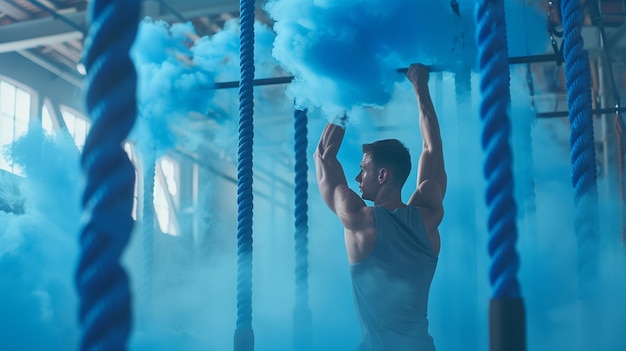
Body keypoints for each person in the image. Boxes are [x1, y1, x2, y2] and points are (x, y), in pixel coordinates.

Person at [313, 63, 446, 351]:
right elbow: (431, 150)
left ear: (382, 174)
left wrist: (350, 90)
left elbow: (324, 156)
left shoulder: (360, 220)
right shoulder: (428, 217)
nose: (358, 177)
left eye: (363, 170)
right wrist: (420, 87)